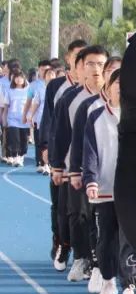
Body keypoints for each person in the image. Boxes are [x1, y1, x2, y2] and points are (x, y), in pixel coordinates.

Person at [82, 69, 136, 294]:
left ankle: (130, 286)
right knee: (106, 239)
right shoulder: (96, 116)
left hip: (131, 191)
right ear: (108, 87)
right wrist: (91, 179)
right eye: (117, 83)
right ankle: (107, 280)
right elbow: (90, 152)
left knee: (130, 239)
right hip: (104, 189)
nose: (120, 88)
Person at [40, 39, 88, 269]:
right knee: (59, 204)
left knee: (80, 209)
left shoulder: (97, 90)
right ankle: (61, 242)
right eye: (77, 57)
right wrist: (46, 147)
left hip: (84, 161)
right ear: (69, 59)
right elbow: (49, 119)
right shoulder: (56, 86)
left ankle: (84, 253)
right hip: (61, 155)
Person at [3, 72, 31, 165]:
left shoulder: (28, 90)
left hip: (25, 119)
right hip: (12, 119)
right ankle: (15, 157)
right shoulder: (10, 90)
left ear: (24, 79)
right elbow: (6, 107)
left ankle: (21, 156)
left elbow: (32, 105)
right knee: (14, 138)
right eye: (17, 78)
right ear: (13, 79)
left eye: (21, 78)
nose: (19, 79)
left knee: (24, 139)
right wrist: (4, 119)